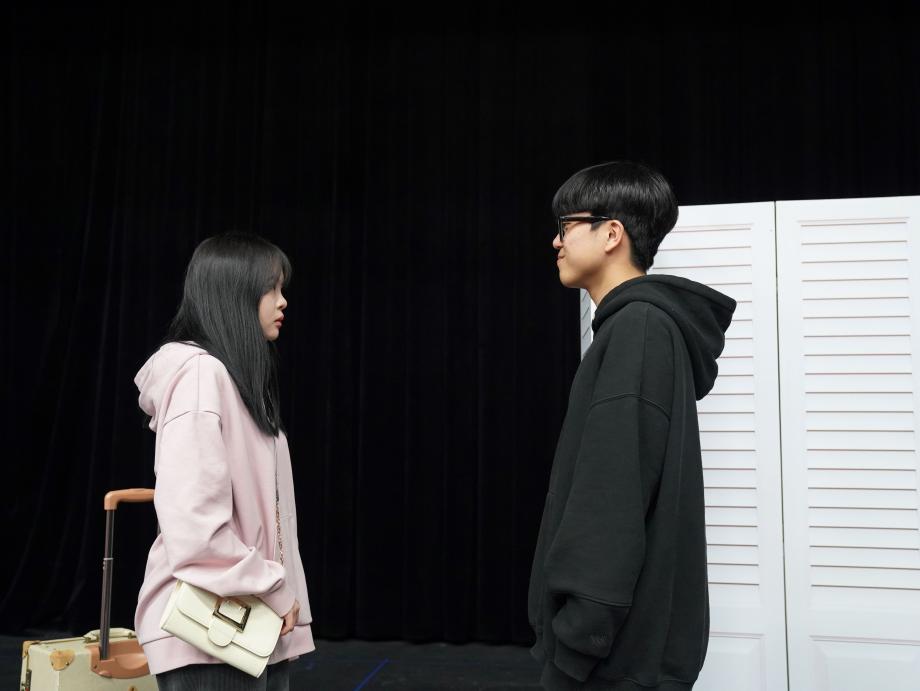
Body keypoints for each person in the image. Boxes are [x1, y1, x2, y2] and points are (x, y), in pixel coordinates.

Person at [528, 161, 736, 691]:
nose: (556, 241)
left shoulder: (638, 331)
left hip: (610, 663)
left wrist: (577, 638)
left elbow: (612, 499)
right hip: (621, 655)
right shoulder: (638, 328)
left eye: (566, 225)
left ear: (611, 233)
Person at [134, 233, 313, 690]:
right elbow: (196, 529)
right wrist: (273, 587)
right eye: (271, 288)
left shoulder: (232, 381)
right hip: (210, 631)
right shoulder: (200, 376)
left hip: (250, 624)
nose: (283, 301)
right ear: (236, 294)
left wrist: (277, 594)